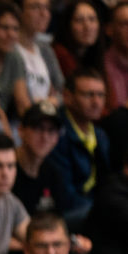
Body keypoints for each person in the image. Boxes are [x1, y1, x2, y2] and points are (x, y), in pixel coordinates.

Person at [46, 67, 112, 226]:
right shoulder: (55, 134)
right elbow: (65, 196)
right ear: (68, 97)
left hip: (91, 208)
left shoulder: (100, 135)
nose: (96, 102)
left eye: (101, 95)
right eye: (89, 95)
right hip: (64, 214)